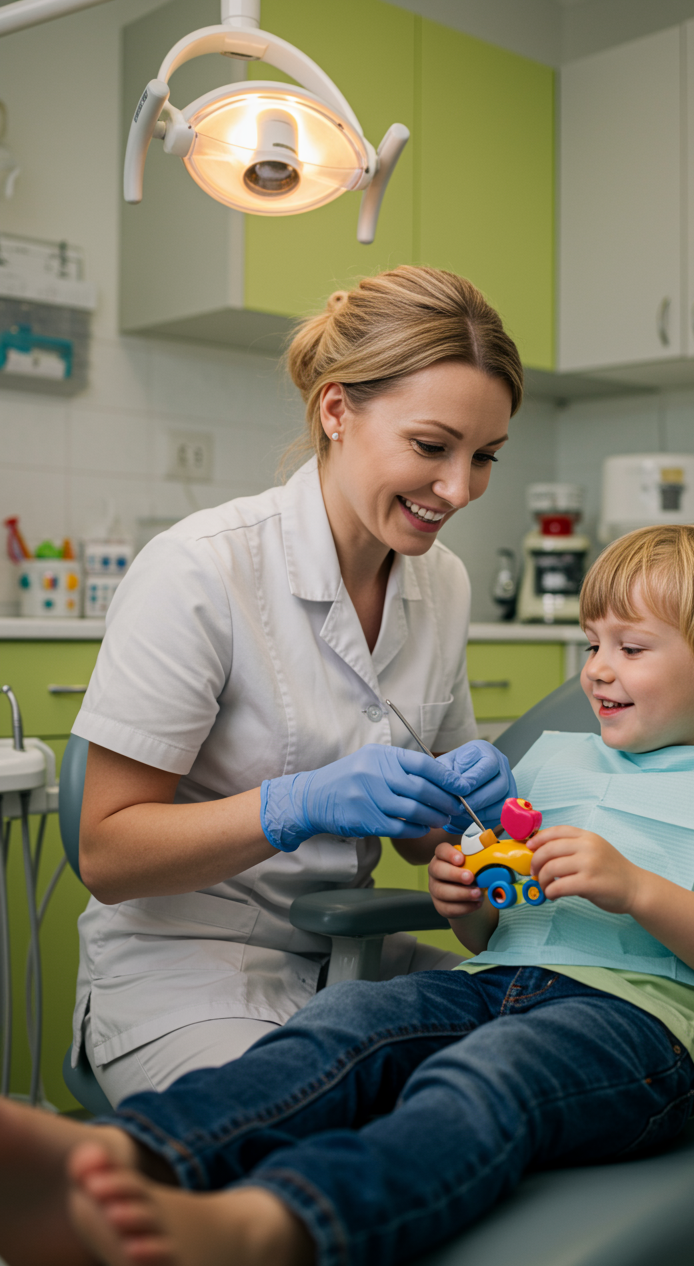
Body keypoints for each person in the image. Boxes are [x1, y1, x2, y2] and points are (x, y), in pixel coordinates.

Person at [0, 524, 694, 1266]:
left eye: (632, 647)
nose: (597, 668)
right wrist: (463, 897)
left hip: (635, 1032)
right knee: (348, 1022)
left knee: (485, 1076)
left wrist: (639, 890)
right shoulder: (561, 761)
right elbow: (493, 928)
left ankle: (279, 1227)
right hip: (490, 987)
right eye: (592, 643)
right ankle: (126, 1157)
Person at [70, 266, 521, 1105]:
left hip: (353, 959)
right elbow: (106, 854)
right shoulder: (201, 568)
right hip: (188, 973)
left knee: (558, 1060)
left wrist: (468, 810)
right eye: (432, 447)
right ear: (337, 410)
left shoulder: (443, 582)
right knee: (315, 1143)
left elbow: (426, 843)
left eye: (485, 456)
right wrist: (294, 804)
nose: (460, 489)